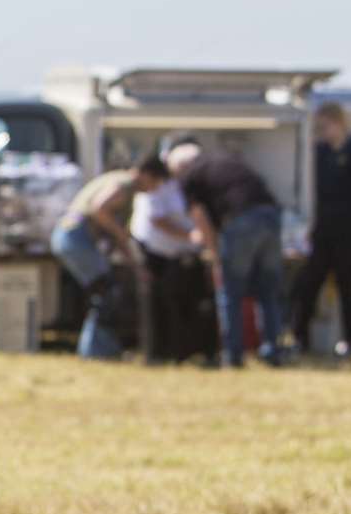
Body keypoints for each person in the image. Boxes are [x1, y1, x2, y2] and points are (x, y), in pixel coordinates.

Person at [168, 144, 285, 367]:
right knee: (268, 291)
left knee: (230, 292)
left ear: (181, 167)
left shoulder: (191, 175)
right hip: (271, 217)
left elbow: (199, 216)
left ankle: (233, 356)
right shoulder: (226, 159)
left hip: (241, 221)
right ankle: (273, 352)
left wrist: (214, 256)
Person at [291, 103, 351, 358]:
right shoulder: (318, 154)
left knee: (346, 284)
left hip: (349, 231)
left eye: (324, 126)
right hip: (321, 230)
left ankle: (347, 341)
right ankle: (300, 339)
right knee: (310, 283)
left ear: (338, 122)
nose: (321, 132)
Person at [50, 156, 166, 359]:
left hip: (70, 237)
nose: (154, 190)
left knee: (104, 291)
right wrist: (121, 234)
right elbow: (99, 208)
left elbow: (118, 236)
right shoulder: (125, 183)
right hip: (76, 237)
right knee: (106, 292)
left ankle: (99, 348)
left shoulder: (122, 185)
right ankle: (96, 351)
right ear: (147, 175)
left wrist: (136, 265)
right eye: (156, 183)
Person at [129, 161, 213, 364]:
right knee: (157, 305)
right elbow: (157, 220)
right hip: (155, 253)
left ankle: (177, 351)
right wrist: (190, 236)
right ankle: (157, 353)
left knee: (177, 304)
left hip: (174, 255)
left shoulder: (172, 189)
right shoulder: (156, 190)